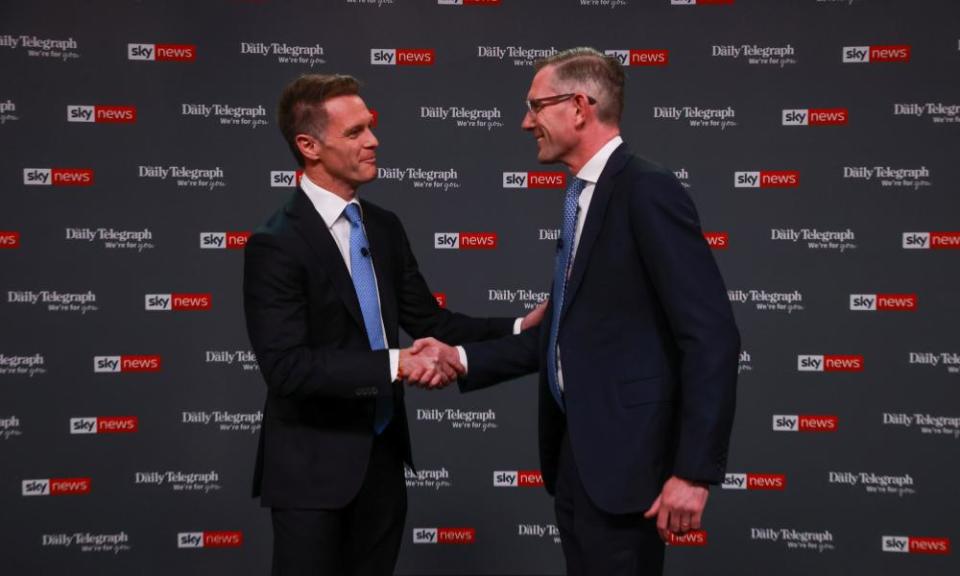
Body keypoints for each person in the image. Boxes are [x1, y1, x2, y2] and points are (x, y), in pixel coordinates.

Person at [419, 47, 740, 575]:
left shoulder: (646, 189)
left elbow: (712, 336)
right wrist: (459, 357)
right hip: (577, 464)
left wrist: (694, 473)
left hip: (631, 467)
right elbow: (567, 334)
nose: (526, 122)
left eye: (535, 106)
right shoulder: (581, 199)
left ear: (578, 107)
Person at [243, 73, 544, 576]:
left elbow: (431, 321)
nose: (373, 140)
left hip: (383, 465)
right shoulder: (276, 244)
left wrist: (518, 327)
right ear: (309, 146)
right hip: (311, 475)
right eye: (355, 132)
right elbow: (287, 369)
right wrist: (397, 363)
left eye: (371, 127)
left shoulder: (383, 227)